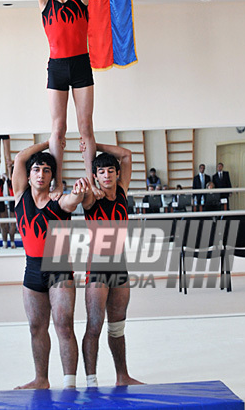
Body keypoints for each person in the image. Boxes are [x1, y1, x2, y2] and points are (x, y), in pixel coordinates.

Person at [12, 139, 87, 389]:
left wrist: (78, 190)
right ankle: (41, 379)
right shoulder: (20, 197)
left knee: (63, 325)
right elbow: (20, 158)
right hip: (32, 269)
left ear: (52, 176)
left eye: (47, 170)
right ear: (29, 175)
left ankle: (70, 384)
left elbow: (74, 199)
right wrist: (49, 142)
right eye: (36, 170)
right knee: (36, 327)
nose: (41, 174)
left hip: (59, 268)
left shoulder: (59, 202)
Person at [33, 0, 97, 195]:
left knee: (85, 127)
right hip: (57, 67)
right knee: (58, 127)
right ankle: (57, 183)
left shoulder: (80, 0)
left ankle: (90, 181)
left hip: (81, 64)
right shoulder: (45, 4)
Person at [81, 141, 142, 387]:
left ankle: (122, 376)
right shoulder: (90, 197)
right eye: (102, 172)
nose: (107, 175)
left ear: (117, 174)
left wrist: (95, 145)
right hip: (97, 267)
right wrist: (89, 179)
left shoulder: (123, 191)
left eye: (111, 171)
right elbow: (81, 193)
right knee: (95, 325)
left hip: (120, 265)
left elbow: (126, 155)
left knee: (117, 327)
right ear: (95, 175)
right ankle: (91, 381)